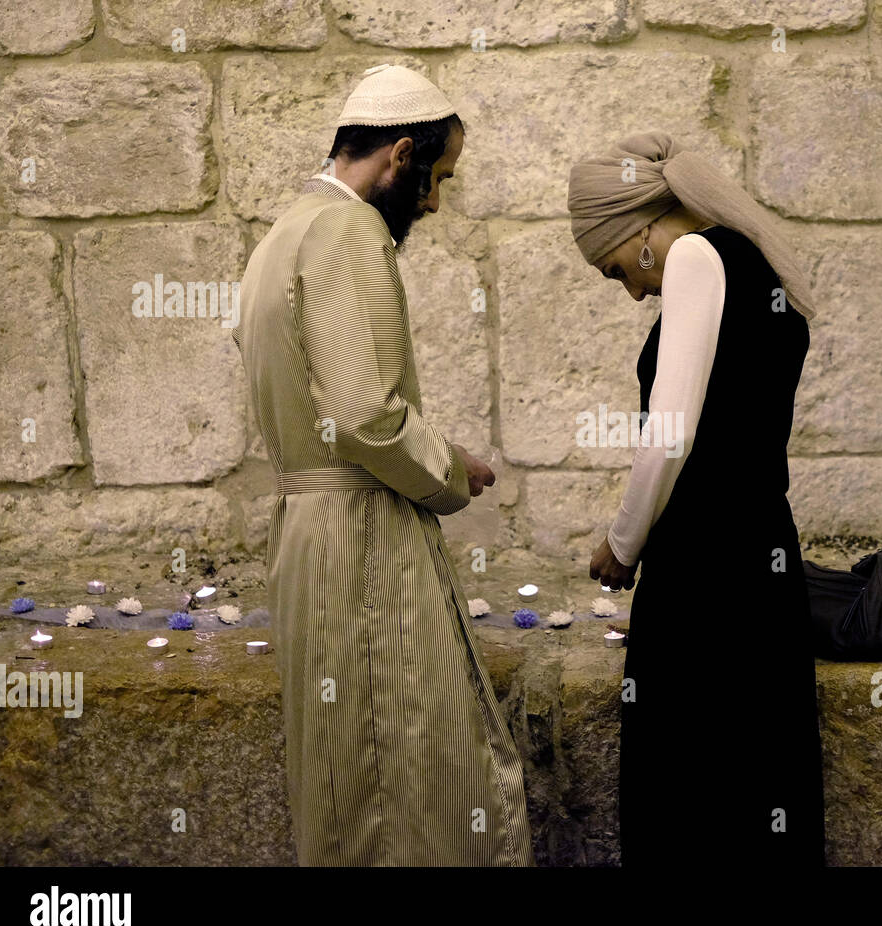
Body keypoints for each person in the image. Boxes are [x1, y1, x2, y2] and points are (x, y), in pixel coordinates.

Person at [233, 64, 535, 866]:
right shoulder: (347, 232)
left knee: (347, 779)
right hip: (360, 541)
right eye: (436, 179)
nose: (435, 203)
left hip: (314, 532)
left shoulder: (284, 232)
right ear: (400, 154)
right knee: (410, 779)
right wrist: (448, 471)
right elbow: (365, 413)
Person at [567, 130, 826, 866]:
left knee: (684, 798)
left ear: (638, 231)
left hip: (703, 575)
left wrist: (620, 546)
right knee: (758, 781)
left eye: (614, 267)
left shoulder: (693, 256)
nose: (630, 289)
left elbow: (669, 435)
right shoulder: (756, 262)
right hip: (761, 561)